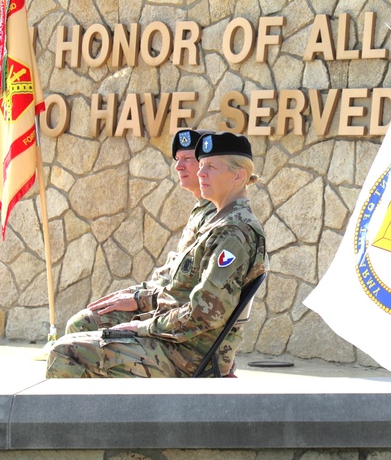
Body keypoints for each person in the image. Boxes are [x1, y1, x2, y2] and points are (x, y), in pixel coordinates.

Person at [46, 132, 267, 378]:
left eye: (211, 167)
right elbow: (181, 287)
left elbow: (203, 314)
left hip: (189, 354)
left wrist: (144, 327)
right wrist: (143, 307)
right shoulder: (219, 222)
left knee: (66, 353)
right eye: (201, 165)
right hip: (179, 341)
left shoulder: (233, 233)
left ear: (239, 175)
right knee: (79, 334)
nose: (201, 173)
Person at [62, 129, 215, 334]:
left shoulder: (216, 217)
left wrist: (138, 300)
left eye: (187, 159)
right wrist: (137, 294)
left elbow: (187, 289)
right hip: (164, 304)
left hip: (175, 320)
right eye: (177, 159)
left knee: (82, 325)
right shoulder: (202, 210)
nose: (178, 166)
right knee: (91, 315)